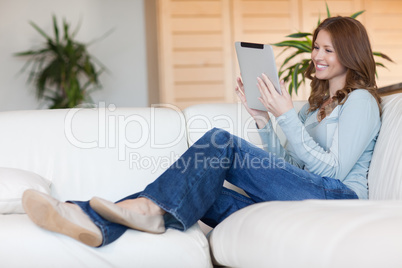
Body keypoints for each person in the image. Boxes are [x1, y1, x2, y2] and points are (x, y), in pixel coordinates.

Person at [22, 16, 382, 248]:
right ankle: (92, 220)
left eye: (327, 49)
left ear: (349, 53)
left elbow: (332, 172)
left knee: (220, 142)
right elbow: (287, 165)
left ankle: (124, 210)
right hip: (306, 195)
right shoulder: (310, 106)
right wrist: (262, 118)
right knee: (204, 189)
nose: (317, 55)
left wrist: (286, 117)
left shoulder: (361, 102)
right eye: (316, 46)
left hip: (339, 201)